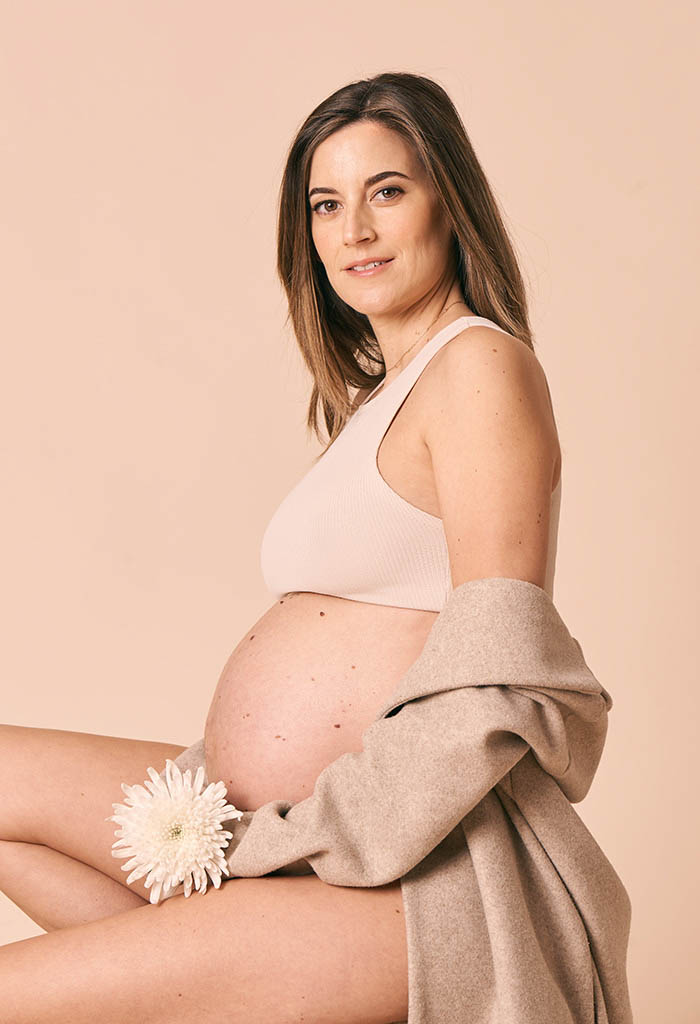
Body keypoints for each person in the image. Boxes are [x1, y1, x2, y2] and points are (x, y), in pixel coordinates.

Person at [0, 72, 564, 1022]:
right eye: (326, 204)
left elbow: (496, 675)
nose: (355, 231)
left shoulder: (479, 365)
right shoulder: (383, 398)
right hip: (244, 819)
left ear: (448, 202)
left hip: (383, 873)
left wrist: (305, 839)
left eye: (388, 191)